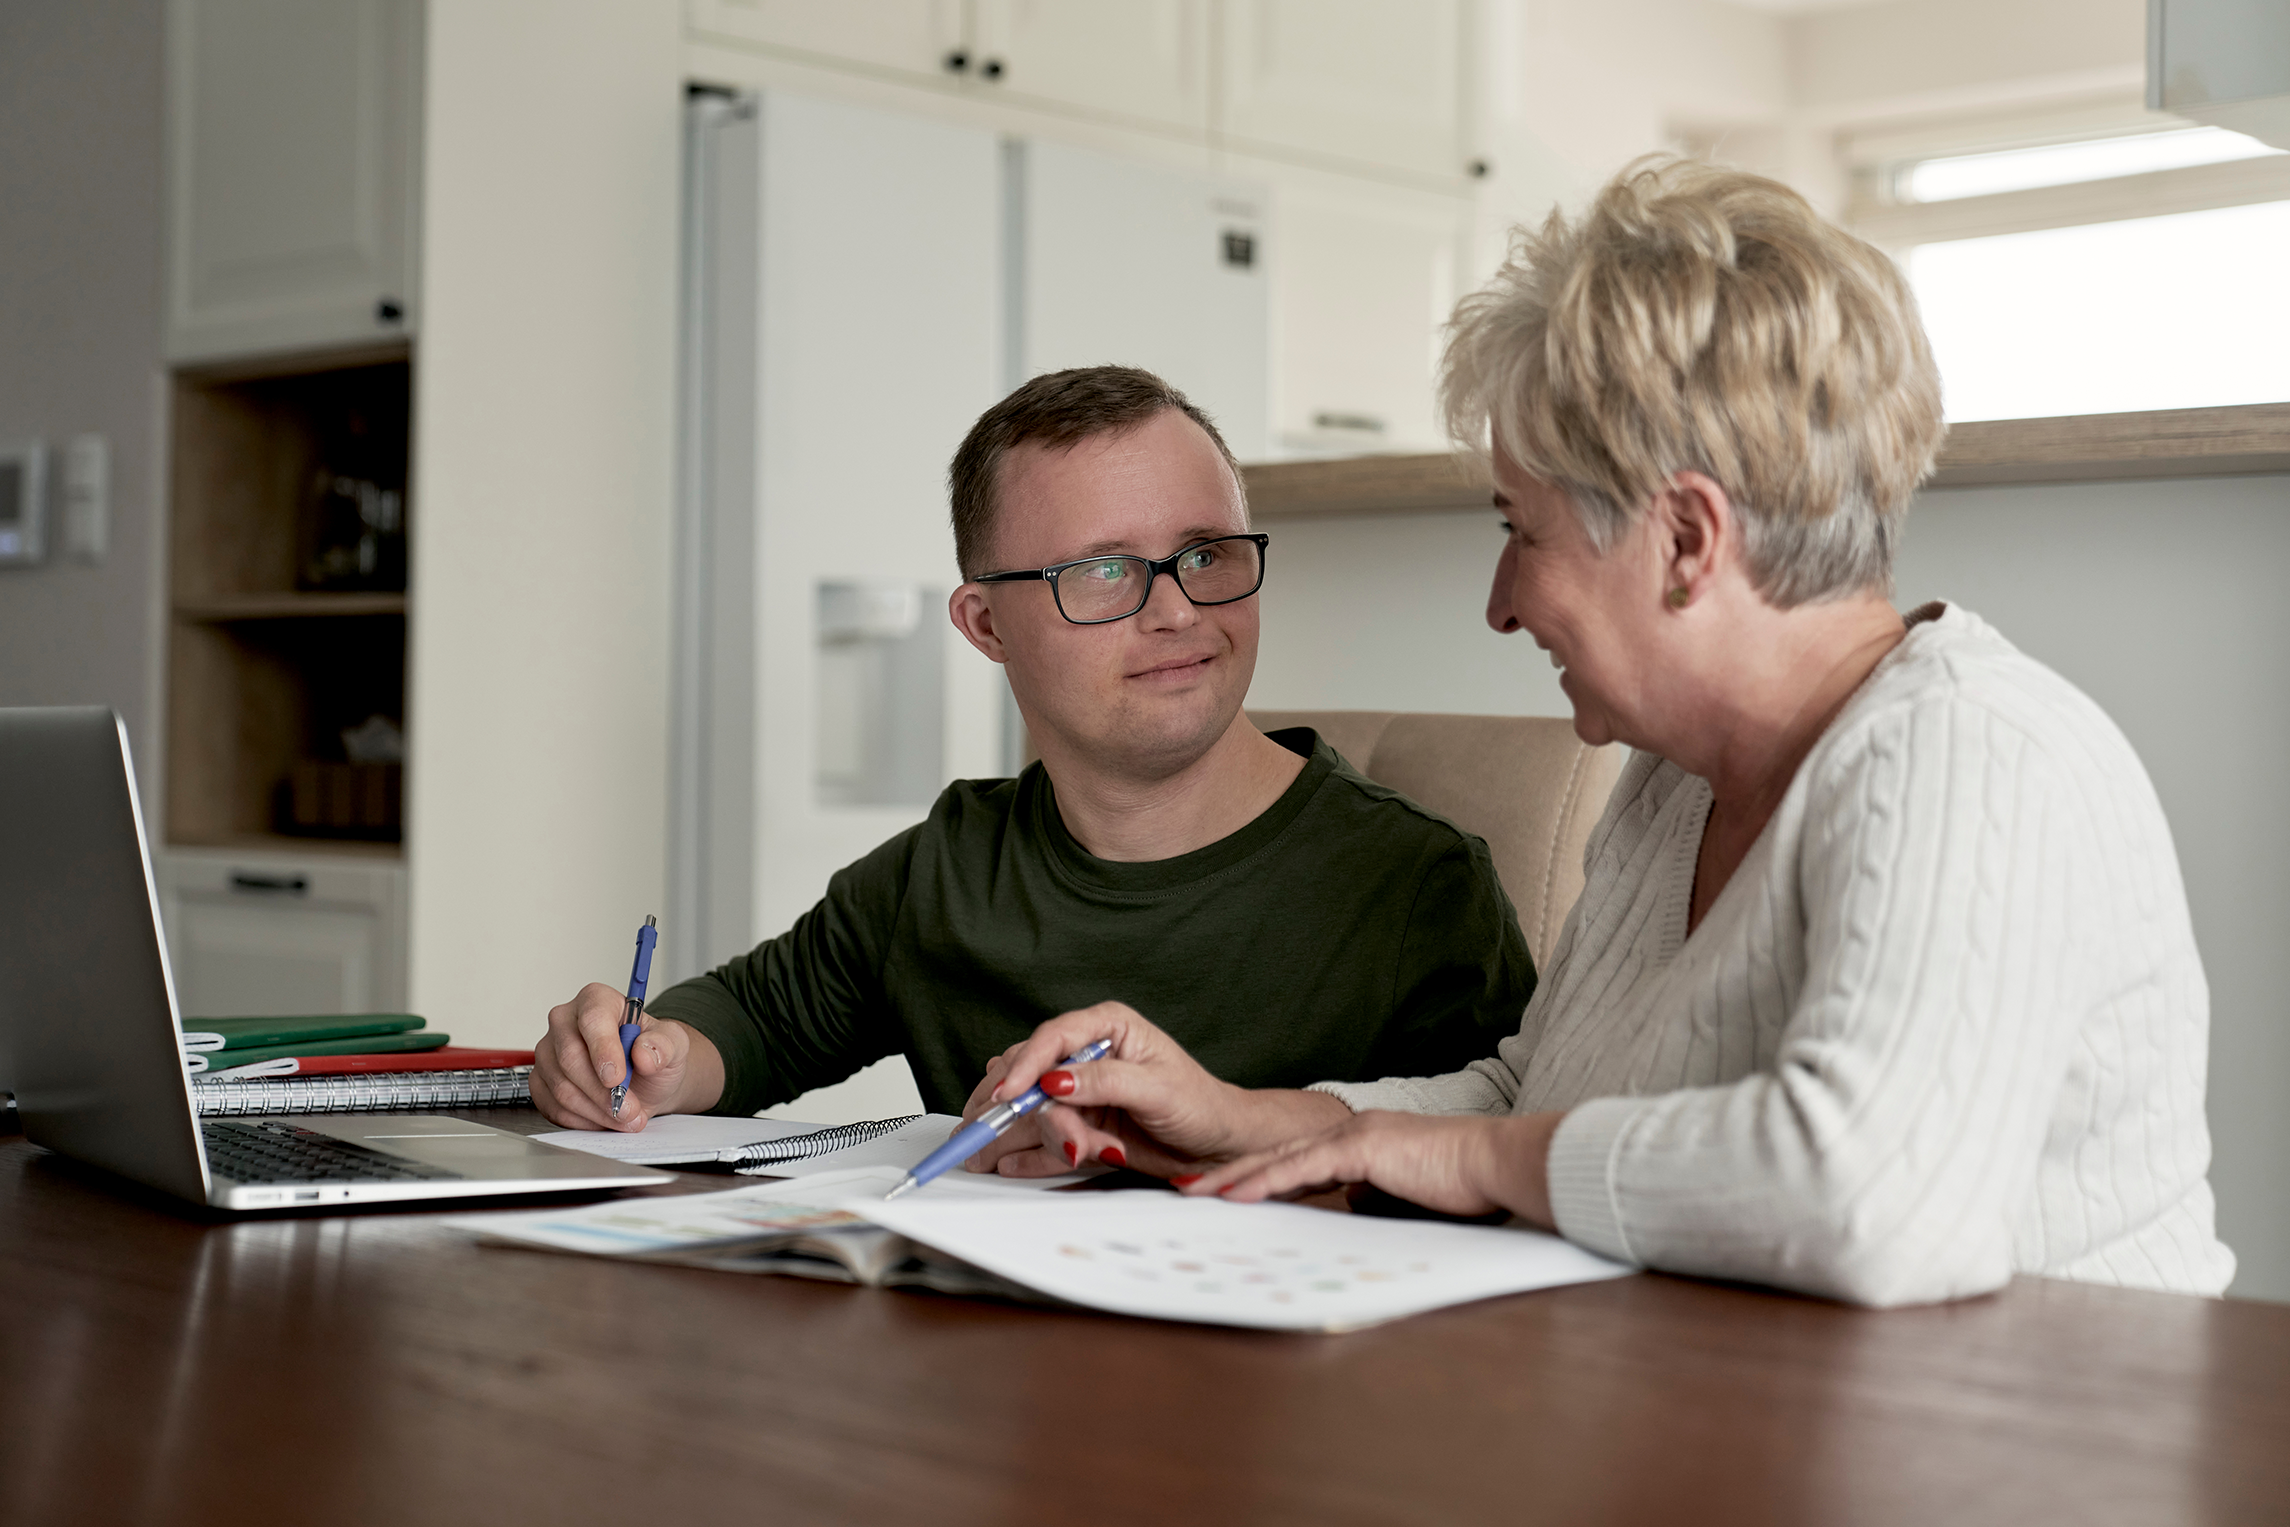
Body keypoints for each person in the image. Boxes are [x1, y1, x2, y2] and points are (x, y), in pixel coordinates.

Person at [967, 161, 2237, 1307]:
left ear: (1684, 539)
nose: (1501, 602)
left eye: (1522, 531)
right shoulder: (1674, 783)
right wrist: (1238, 1120)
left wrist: (1469, 1162)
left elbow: (1872, 1203)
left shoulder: (1974, 756)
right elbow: (1536, 1101)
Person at [530, 365, 1535, 1165]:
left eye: (1206, 553)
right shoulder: (947, 867)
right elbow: (752, 1021)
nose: (1176, 608)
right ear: (985, 626)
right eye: (1101, 571)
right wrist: (647, 1056)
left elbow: (1500, 1159)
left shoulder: (1419, 886)